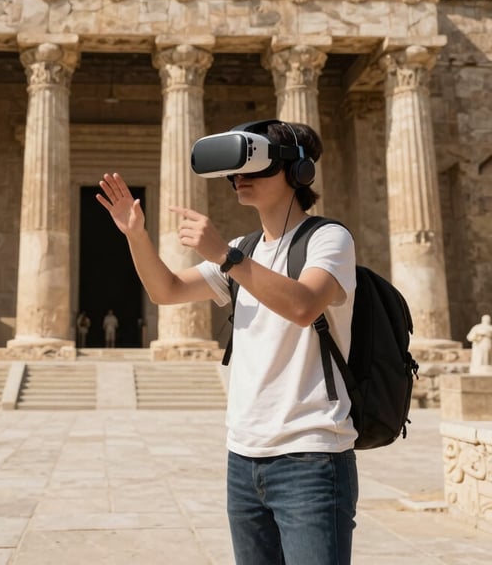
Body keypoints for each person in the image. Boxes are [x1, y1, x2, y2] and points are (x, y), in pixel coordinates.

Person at [97, 120, 358, 565]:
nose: (240, 177)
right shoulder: (245, 248)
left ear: (297, 171)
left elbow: (303, 306)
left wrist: (224, 255)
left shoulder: (328, 239)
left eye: (254, 167)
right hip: (244, 457)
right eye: (235, 170)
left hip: (311, 456)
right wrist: (135, 235)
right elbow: (166, 291)